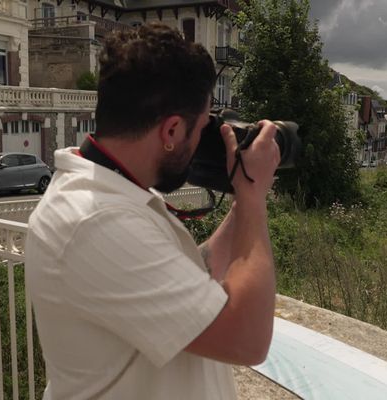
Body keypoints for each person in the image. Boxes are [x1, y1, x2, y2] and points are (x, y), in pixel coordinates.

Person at [25, 23, 280, 400]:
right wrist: (254, 196)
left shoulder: (111, 193)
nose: (201, 140)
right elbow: (247, 340)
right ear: (172, 130)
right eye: (203, 126)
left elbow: (197, 272)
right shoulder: (99, 223)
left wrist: (243, 199)